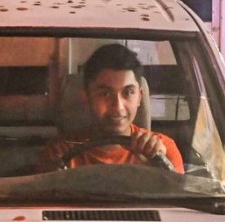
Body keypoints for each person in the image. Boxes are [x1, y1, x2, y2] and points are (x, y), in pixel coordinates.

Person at [40, 44, 183, 172]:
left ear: (139, 97)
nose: (118, 107)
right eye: (105, 94)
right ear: (86, 97)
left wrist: (155, 166)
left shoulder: (163, 149)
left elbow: (179, 200)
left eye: (128, 93)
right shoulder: (59, 152)